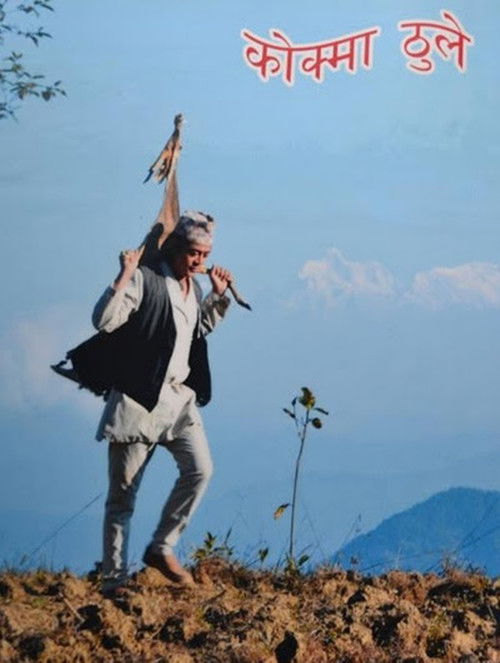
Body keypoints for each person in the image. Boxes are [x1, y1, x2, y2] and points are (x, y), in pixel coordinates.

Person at [92, 211, 232, 595]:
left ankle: (161, 547)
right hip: (138, 400)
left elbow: (193, 332)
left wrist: (218, 297)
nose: (199, 261)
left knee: (200, 470)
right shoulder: (146, 280)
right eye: (193, 253)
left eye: (205, 255)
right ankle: (114, 580)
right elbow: (104, 320)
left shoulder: (194, 290)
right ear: (176, 249)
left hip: (178, 401)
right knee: (122, 497)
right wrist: (124, 274)